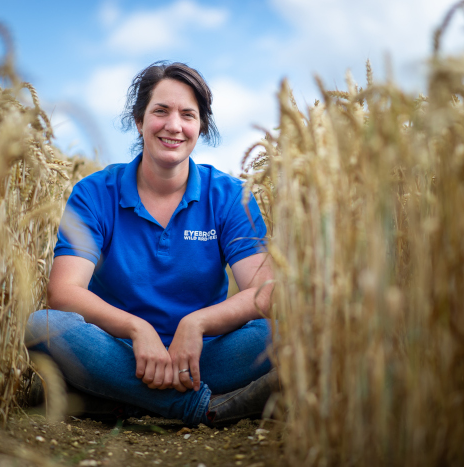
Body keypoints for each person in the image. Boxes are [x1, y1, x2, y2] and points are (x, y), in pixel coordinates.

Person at [26, 61, 277, 427]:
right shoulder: (95, 193)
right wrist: (137, 330)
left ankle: (117, 398)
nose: (173, 125)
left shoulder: (230, 196)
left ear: (200, 126)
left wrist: (197, 324)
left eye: (187, 115)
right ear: (139, 120)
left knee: (289, 329)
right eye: (161, 111)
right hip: (116, 350)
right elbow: (63, 292)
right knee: (42, 326)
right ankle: (201, 408)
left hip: (202, 353)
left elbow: (265, 291)